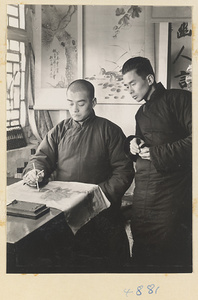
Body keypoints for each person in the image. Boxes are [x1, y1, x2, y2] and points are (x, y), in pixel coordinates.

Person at [23, 79, 134, 272]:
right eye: (70, 103)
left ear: (93, 102)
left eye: (81, 103)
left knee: (103, 265)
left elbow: (124, 171)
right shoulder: (59, 130)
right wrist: (35, 172)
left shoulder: (110, 131)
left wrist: (98, 196)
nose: (74, 109)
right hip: (64, 208)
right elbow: (42, 157)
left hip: (99, 209)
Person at [122, 56, 192, 272]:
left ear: (150, 78)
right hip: (144, 193)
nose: (130, 90)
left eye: (133, 83)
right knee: (141, 243)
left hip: (170, 193)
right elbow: (143, 143)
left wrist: (157, 153)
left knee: (168, 248)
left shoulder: (180, 99)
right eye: (126, 86)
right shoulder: (141, 112)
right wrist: (132, 143)